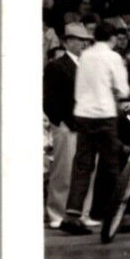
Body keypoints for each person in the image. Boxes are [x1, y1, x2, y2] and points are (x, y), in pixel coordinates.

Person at [62, 20, 130, 235]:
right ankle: (116, 216)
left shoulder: (85, 56)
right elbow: (123, 89)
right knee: (111, 165)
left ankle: (72, 215)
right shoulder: (113, 57)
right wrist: (121, 95)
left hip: (83, 113)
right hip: (103, 114)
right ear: (112, 38)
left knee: (83, 165)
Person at [44, 23, 93, 228]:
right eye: (79, 40)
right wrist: (62, 122)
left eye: (85, 41)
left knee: (86, 170)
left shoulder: (88, 65)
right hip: (66, 124)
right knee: (63, 171)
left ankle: (82, 213)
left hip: (87, 125)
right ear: (67, 42)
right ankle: (57, 213)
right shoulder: (57, 66)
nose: (83, 44)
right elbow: (50, 99)